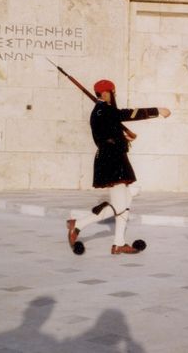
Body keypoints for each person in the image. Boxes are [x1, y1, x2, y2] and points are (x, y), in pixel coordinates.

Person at [66, 79, 170, 255]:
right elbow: (127, 114)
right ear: (106, 93)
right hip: (110, 161)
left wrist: (123, 139)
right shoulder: (103, 110)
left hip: (115, 158)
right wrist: (157, 111)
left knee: (125, 201)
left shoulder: (103, 111)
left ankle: (115, 242)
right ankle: (81, 226)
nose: (114, 96)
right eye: (112, 92)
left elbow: (108, 134)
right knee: (122, 204)